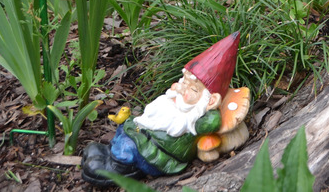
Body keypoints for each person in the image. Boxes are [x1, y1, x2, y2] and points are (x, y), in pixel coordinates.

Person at [81, 32, 250, 186]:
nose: (182, 89)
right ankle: (110, 153)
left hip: (159, 154)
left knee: (129, 145)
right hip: (144, 133)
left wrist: (212, 108)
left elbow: (212, 121)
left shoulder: (196, 116)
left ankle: (118, 167)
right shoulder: (175, 102)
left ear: (210, 100)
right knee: (125, 128)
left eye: (192, 89)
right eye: (184, 82)